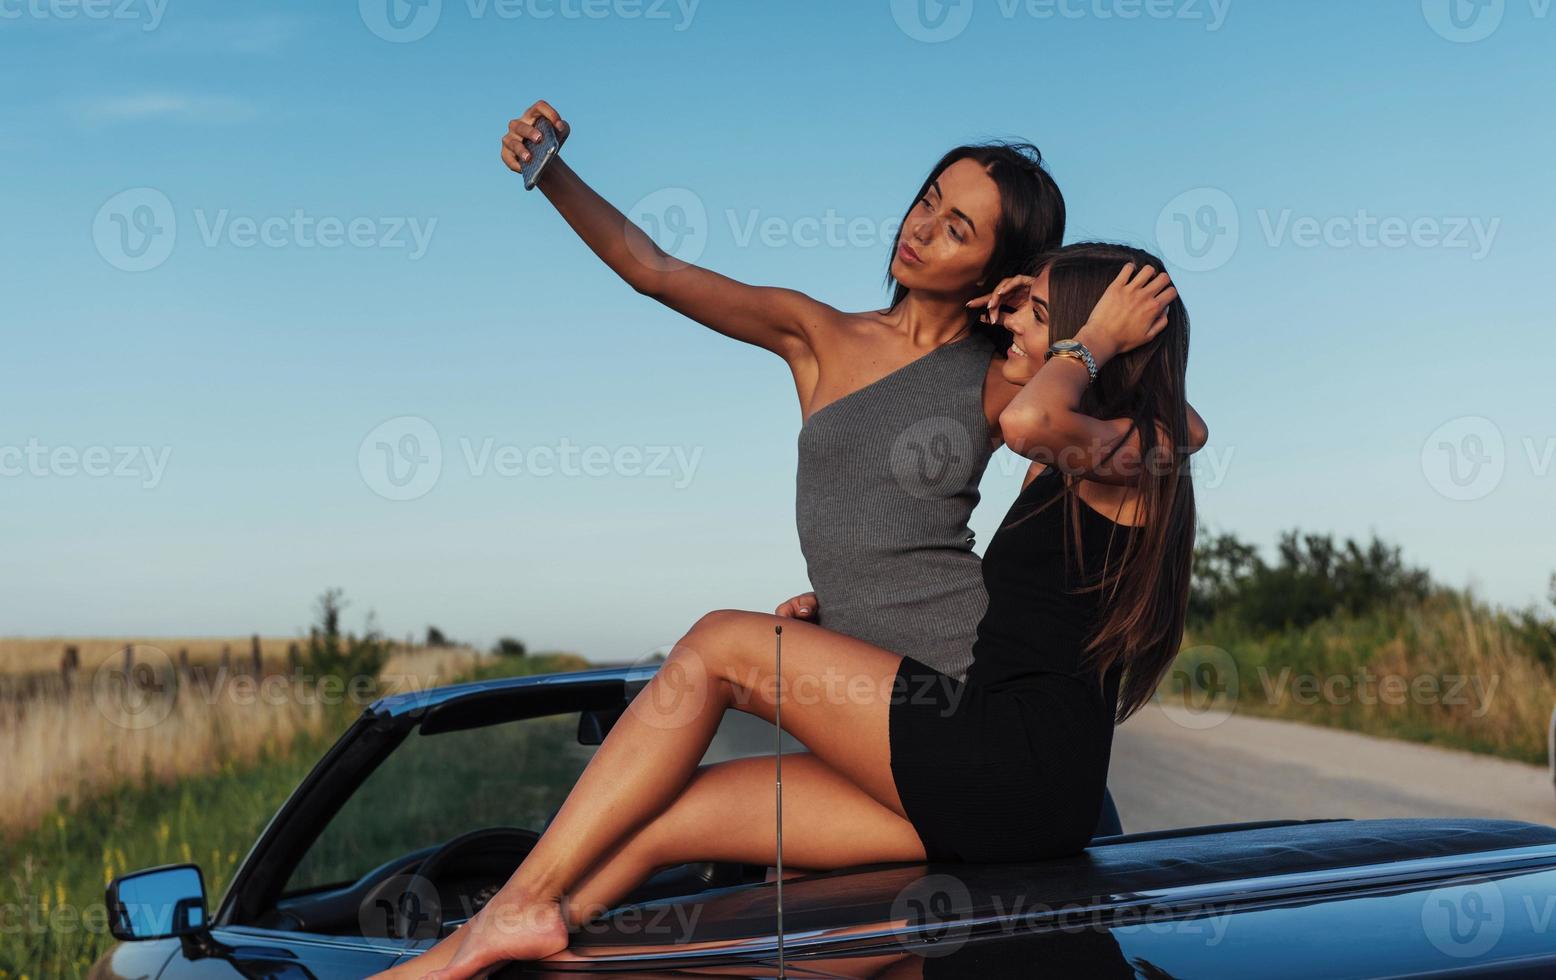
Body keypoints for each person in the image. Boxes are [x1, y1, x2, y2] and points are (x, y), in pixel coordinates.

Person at [374, 247, 1195, 978]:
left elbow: (1039, 418)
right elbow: (1031, 595)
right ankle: (479, 957)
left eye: (1037, 315)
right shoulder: (1105, 448)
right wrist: (836, 634)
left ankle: (509, 911)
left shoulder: (1129, 456)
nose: (1013, 325)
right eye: (1018, 308)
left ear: (1101, 343)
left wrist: (1091, 339)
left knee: (724, 644)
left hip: (1021, 765)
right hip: (1003, 788)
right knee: (679, 816)